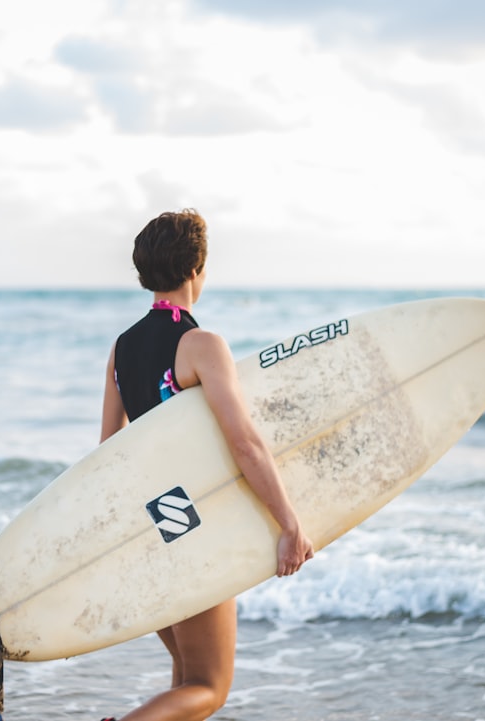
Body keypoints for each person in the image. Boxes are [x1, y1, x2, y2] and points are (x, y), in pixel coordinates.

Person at [98, 209, 315, 721]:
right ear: (197, 269)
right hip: (192, 522)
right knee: (209, 687)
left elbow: (108, 451)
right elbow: (245, 444)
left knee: (184, 679)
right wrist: (289, 523)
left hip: (149, 525)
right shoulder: (200, 345)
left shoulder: (122, 349)